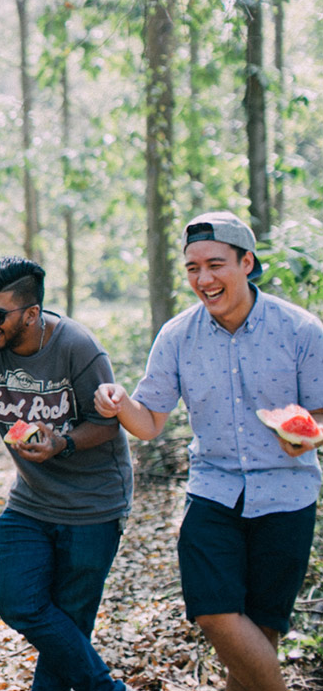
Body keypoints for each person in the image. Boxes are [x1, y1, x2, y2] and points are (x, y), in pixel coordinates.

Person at [96, 211, 323, 691]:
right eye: (192, 268)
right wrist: (120, 403)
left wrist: (306, 433)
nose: (204, 278)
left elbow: (321, 412)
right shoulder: (178, 336)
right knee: (214, 613)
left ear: (247, 262)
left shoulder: (301, 330)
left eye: (216, 264)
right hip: (213, 493)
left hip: (288, 495)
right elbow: (151, 422)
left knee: (261, 630)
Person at [0, 256, 132, 691]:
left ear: (31, 314)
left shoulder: (77, 347)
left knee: (69, 621)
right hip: (30, 501)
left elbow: (110, 422)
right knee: (19, 604)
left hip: (93, 504)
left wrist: (62, 442)